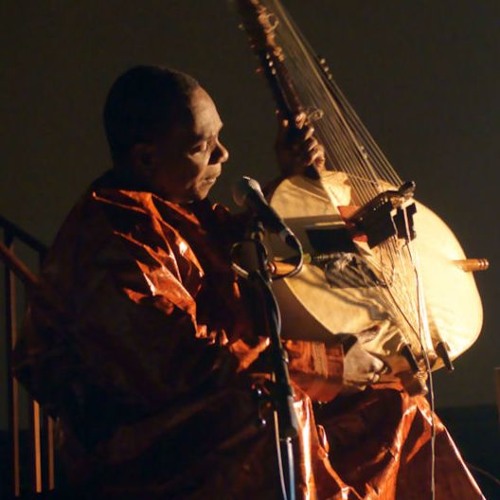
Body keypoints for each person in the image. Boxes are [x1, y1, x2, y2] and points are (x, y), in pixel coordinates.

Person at [14, 65, 483, 499]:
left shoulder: (179, 208)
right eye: (203, 146)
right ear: (146, 158)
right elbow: (186, 360)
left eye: (221, 137)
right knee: (276, 408)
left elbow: (247, 246)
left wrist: (299, 187)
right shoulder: (110, 239)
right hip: (144, 445)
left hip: (214, 413)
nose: (224, 154)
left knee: (397, 405)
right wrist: (329, 362)